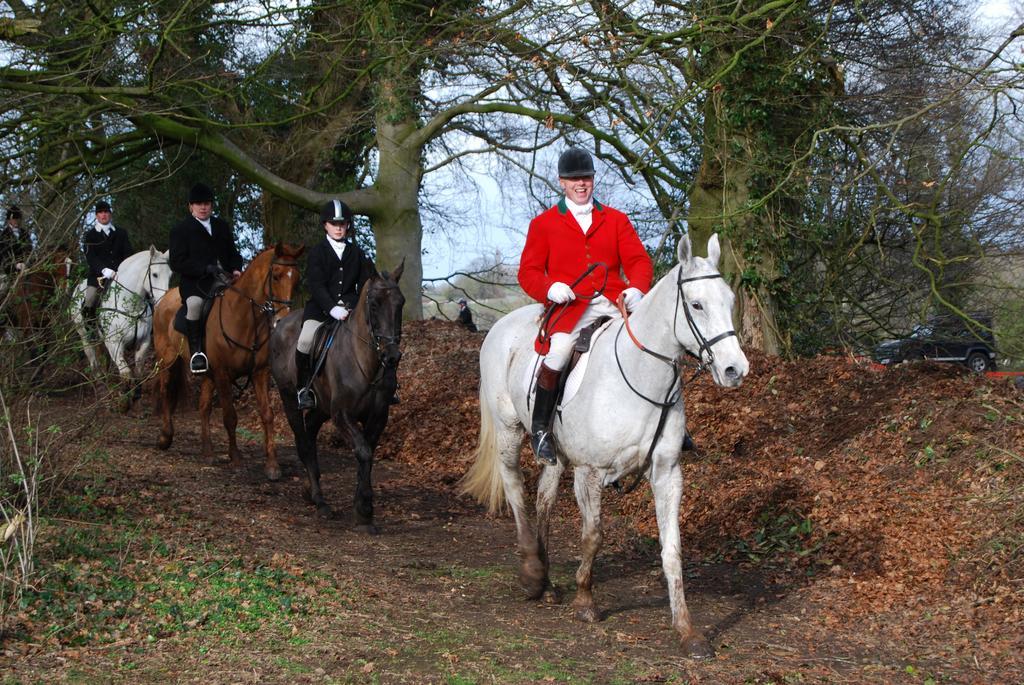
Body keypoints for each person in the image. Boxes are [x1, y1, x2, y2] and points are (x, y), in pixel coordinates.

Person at [518, 147, 654, 465]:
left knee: (652, 343)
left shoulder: (616, 220)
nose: (581, 184)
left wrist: (637, 288)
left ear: (593, 181)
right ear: (562, 183)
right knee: (560, 351)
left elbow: (638, 261)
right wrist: (550, 288)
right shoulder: (544, 224)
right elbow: (528, 273)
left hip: (615, 302)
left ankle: (668, 427)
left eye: (586, 179)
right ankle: (540, 430)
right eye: (574, 180)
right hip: (571, 308)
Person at [295, 199, 375, 410]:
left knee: (377, 338)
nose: (338, 228)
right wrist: (332, 308)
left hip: (350, 310)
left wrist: (353, 306)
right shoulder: (317, 252)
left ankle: (384, 388)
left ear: (347, 225)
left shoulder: (356, 253)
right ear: (325, 225)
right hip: (321, 309)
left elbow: (365, 284)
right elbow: (316, 285)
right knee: (304, 341)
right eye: (334, 223)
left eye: (342, 224)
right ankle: (304, 389)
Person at [168, 182, 244, 374]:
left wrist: (236, 268)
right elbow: (177, 262)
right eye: (198, 203)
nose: (203, 207)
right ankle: (197, 354)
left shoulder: (221, 226)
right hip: (196, 284)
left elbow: (233, 252)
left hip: (225, 280)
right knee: (194, 306)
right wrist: (203, 269)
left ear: (211, 205)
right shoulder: (181, 229)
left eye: (207, 203)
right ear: (190, 206)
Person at [81, 200, 132, 339]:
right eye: (100, 212)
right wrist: (104, 270)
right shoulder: (90, 235)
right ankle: (91, 332)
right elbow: (90, 257)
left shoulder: (121, 233)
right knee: (90, 300)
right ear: (96, 215)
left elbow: (128, 253)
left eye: (106, 212)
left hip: (120, 274)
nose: (104, 215)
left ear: (110, 214)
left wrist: (123, 270)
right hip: (98, 277)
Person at [0, 205, 32, 280]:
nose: (17, 221)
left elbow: (29, 249)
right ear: (9, 220)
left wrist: (27, 262)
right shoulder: (3, 235)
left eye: (18, 219)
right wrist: (15, 265)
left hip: (26, 266)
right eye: (14, 219)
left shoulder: (25, 233)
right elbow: (4, 254)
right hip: (9, 270)